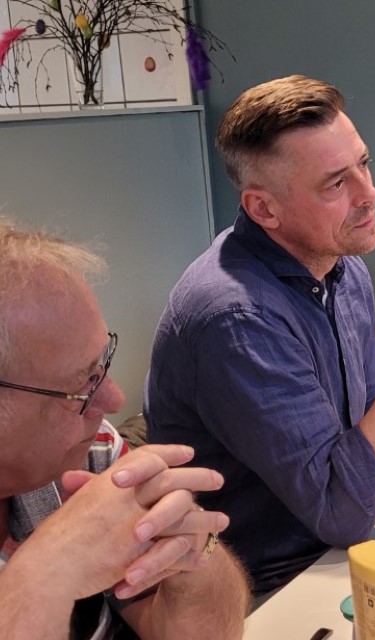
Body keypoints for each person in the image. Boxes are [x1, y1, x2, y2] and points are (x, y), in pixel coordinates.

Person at [145, 75, 375, 596]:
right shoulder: (236, 316)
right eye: (335, 184)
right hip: (265, 586)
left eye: (364, 164)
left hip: (356, 541)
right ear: (264, 209)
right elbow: (340, 512)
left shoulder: (341, 265)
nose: (369, 193)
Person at [0, 221, 249, 639]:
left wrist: (191, 547)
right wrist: (46, 571)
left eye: (102, 363)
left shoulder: (91, 451)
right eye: (81, 385)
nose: (114, 399)